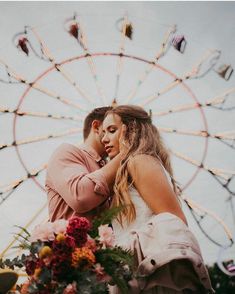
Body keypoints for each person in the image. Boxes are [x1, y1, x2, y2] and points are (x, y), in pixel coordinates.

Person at [102, 105, 214, 293]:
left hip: (155, 275)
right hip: (138, 274)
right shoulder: (130, 167)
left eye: (112, 130)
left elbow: (174, 223)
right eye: (103, 133)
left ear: (132, 129)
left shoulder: (139, 161)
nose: (105, 138)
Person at [46, 106, 125, 222]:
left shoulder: (115, 166)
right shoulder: (66, 152)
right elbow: (80, 197)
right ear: (96, 127)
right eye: (110, 130)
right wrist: (128, 152)